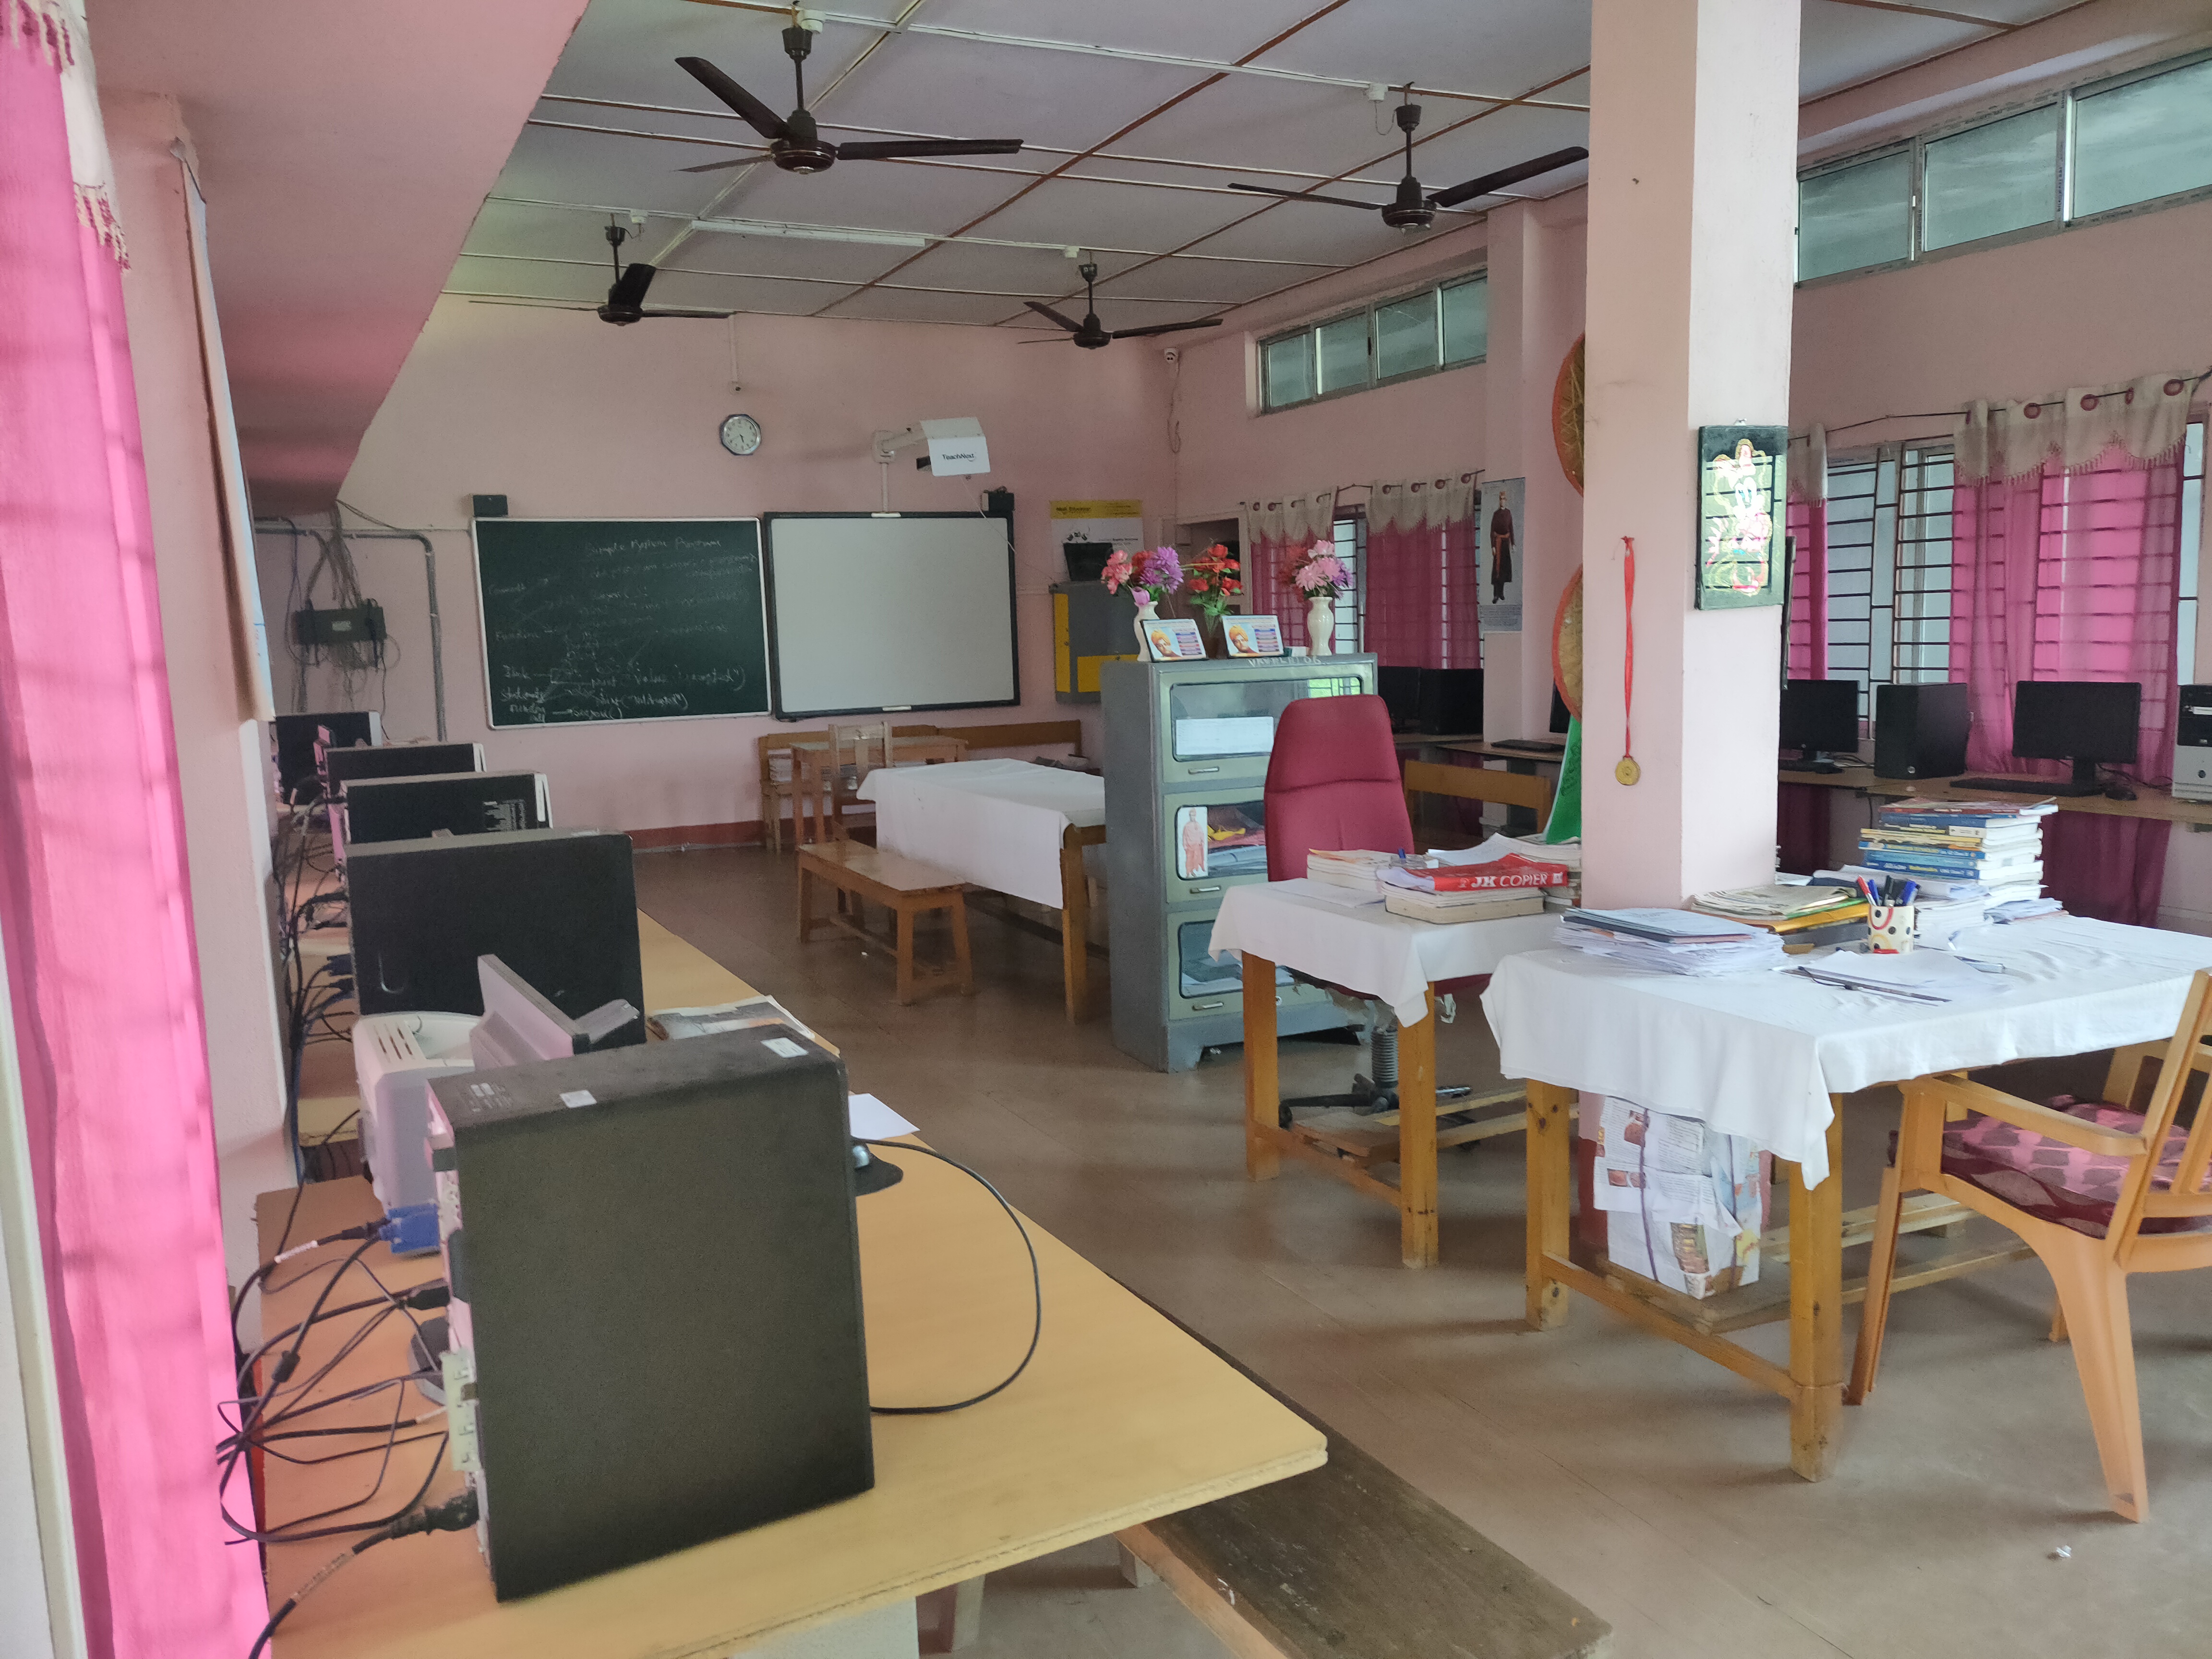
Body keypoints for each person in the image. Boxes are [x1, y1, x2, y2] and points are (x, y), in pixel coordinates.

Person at [1488, 495, 1516, 604]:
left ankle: (1501, 593)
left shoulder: (1508, 513)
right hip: (1498, 543)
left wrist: (1513, 544)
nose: (1502, 502)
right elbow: (1492, 531)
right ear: (1499, 501)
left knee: (1504, 570)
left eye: (1504, 500)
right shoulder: (1496, 514)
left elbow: (1511, 529)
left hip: (1505, 544)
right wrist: (1493, 546)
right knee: (1497, 570)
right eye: (1501, 500)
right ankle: (1496, 594)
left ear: (1506, 501)